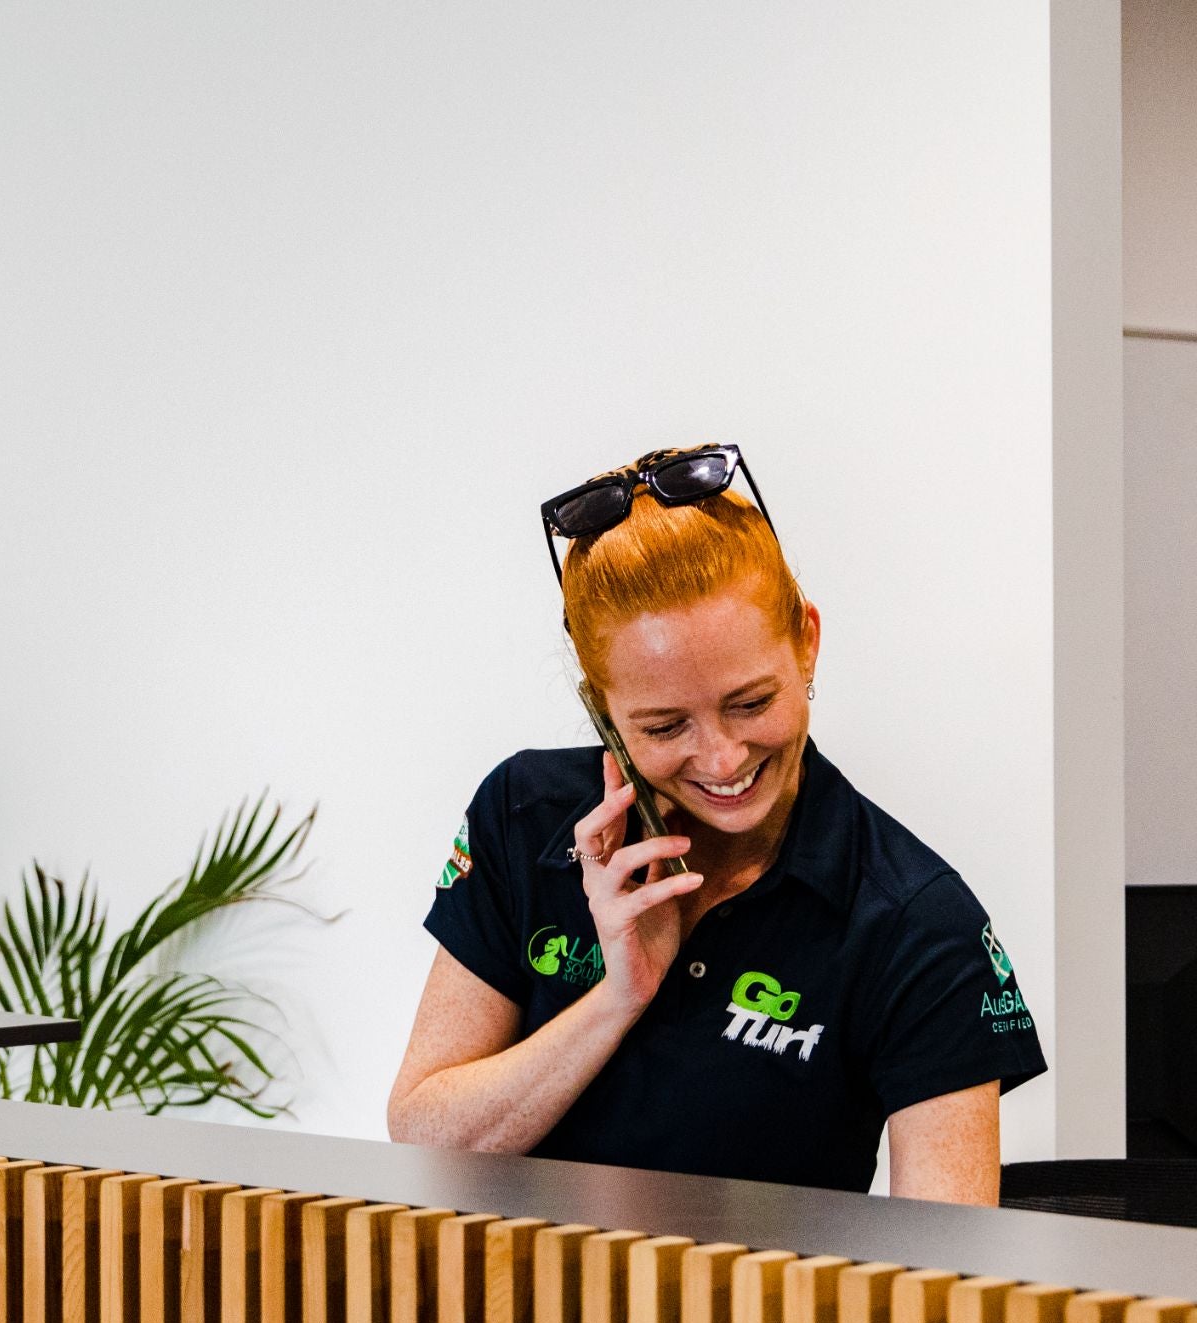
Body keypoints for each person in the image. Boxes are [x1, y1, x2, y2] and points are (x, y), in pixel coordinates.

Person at [386, 445, 1046, 1202]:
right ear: (602, 710)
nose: (723, 757)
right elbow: (425, 1140)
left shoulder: (918, 922)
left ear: (808, 642)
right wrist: (619, 997)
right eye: (665, 726)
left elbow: (944, 1292)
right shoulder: (521, 812)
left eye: (751, 702)